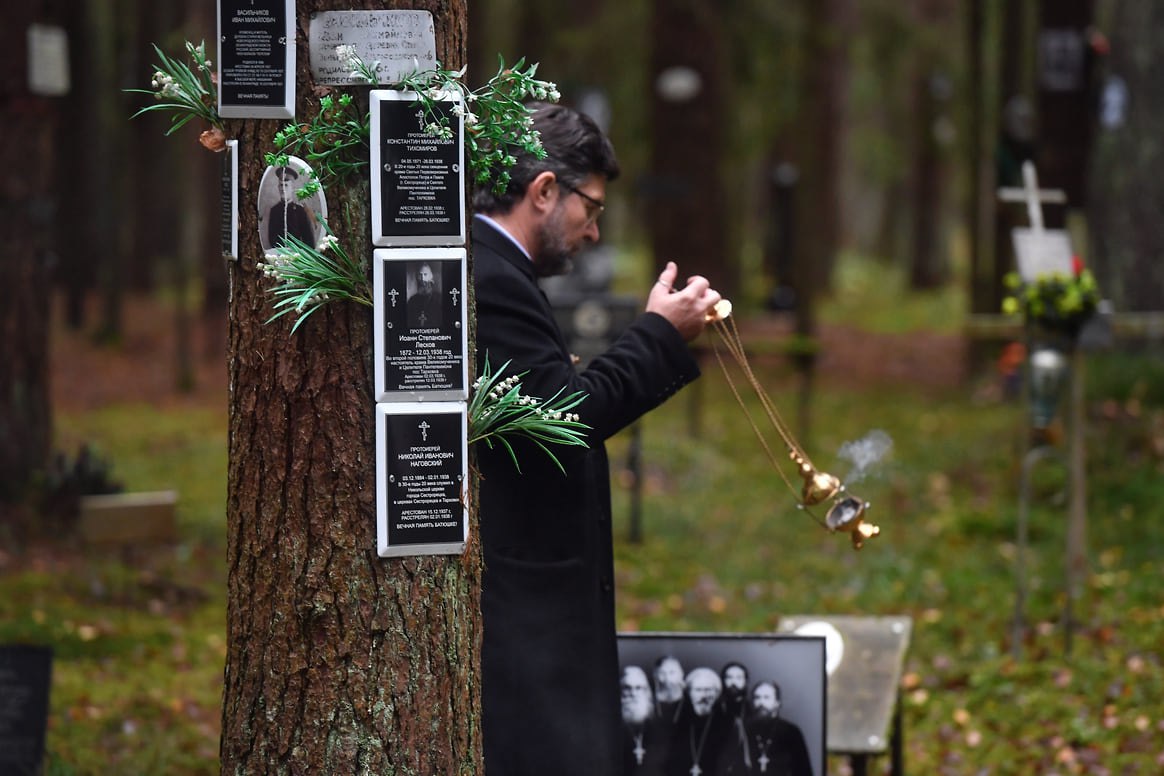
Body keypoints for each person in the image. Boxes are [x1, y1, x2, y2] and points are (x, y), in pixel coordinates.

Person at [473, 101, 722, 775]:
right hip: (527, 618)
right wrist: (660, 335)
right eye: (591, 208)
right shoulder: (491, 279)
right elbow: (564, 421)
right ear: (545, 191)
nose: (591, 232)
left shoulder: (500, 272)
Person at [663, 667, 739, 776]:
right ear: (689, 693)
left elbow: (736, 762)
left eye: (709, 690)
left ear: (716, 694)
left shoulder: (730, 723)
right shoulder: (676, 721)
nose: (704, 696)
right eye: (698, 690)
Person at [738, 681, 812, 776]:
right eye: (757, 697)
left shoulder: (791, 731)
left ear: (777, 703)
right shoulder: (744, 730)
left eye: (766, 697)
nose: (761, 702)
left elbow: (803, 770)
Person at [621, 665, 669, 775]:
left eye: (638, 688)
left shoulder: (658, 726)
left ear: (646, 692)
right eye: (627, 688)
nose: (633, 694)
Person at [265, 166, 316, 249]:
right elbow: (272, 239)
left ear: (292, 188)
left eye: (286, 185)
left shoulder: (300, 211)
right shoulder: (274, 211)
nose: (283, 189)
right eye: (281, 185)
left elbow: (309, 240)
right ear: (278, 187)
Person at [654, 655, 687, 728]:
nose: (667, 678)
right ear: (655, 675)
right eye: (662, 673)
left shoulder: (690, 697)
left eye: (672, 672)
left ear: (681, 674)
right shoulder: (650, 699)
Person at [407, 261, 440, 328]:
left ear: (431, 277)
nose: (422, 279)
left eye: (425, 274)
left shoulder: (439, 299)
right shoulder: (412, 301)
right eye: (420, 275)